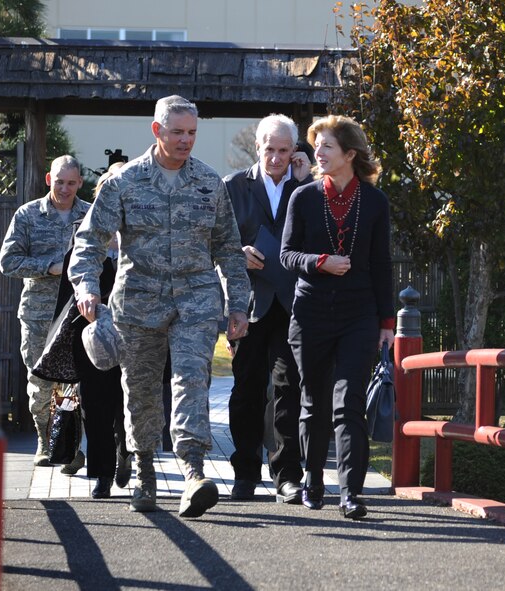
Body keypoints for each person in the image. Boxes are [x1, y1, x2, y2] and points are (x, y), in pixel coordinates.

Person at [68, 95, 250, 516]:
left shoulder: (209, 183)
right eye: (177, 133)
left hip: (197, 300)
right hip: (138, 303)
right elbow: (89, 240)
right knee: (142, 392)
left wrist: (238, 303)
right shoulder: (123, 183)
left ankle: (193, 472)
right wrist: (86, 286)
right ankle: (144, 472)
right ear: (156, 131)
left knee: (191, 381)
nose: (186, 141)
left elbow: (227, 247)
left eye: (192, 133)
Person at [280, 115, 394, 520]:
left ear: (350, 153)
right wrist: (322, 263)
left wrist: (387, 323)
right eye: (317, 146)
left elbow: (382, 264)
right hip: (310, 312)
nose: (318, 154)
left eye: (327, 146)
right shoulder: (303, 197)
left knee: (349, 405)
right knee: (313, 402)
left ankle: (351, 493)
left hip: (359, 315)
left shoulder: (376, 201)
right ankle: (312, 478)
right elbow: (287, 255)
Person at [222, 114, 311, 503]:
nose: (276, 157)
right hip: (248, 303)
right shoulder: (232, 187)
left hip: (293, 303)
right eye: (269, 149)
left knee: (287, 388)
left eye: (284, 150)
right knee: (246, 389)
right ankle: (244, 473)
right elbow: (214, 241)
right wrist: (236, 253)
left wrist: (308, 179)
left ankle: (287, 475)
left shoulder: (308, 188)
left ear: (294, 152)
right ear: (256, 148)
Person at [33, 162, 132, 499]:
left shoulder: (143, 233)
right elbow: (69, 290)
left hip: (136, 333)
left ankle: (126, 449)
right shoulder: (85, 234)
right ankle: (102, 475)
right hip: (91, 335)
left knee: (128, 404)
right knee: (96, 405)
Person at [0, 155, 91, 467]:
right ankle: (44, 441)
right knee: (40, 383)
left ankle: (69, 448)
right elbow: (7, 262)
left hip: (76, 313)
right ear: (49, 180)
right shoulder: (28, 215)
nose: (65, 189)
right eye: (59, 182)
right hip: (38, 314)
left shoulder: (90, 215)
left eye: (71, 183)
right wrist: (47, 268)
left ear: (80, 182)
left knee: (74, 383)